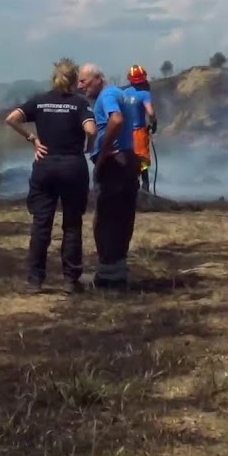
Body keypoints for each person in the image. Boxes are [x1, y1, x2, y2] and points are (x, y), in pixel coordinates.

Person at [5, 58, 98, 295]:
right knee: (72, 224)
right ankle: (70, 281)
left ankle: (35, 281)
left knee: (41, 224)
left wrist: (33, 139)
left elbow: (11, 118)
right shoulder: (79, 103)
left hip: (44, 166)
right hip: (72, 167)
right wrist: (89, 146)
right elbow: (91, 129)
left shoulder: (40, 101)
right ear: (74, 80)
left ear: (54, 79)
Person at [78, 63, 141, 291]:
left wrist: (103, 152)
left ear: (98, 78)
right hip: (128, 160)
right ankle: (117, 273)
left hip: (115, 164)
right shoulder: (121, 94)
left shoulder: (107, 96)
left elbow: (116, 120)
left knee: (105, 219)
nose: (80, 86)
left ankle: (107, 276)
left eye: (83, 81)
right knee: (122, 218)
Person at [123, 65, 158, 192]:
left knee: (128, 161)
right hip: (139, 132)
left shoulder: (124, 93)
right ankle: (145, 189)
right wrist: (154, 123)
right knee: (142, 162)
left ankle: (131, 189)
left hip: (125, 133)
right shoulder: (144, 94)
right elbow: (151, 113)